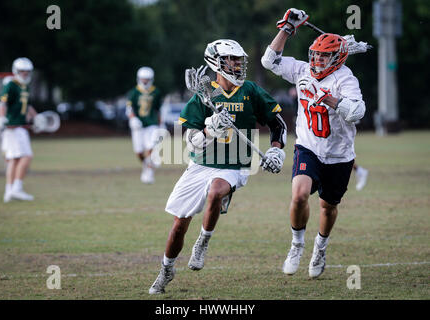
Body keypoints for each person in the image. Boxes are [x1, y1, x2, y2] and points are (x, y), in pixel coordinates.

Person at [149, 39, 288, 294]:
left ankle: (203, 241)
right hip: (201, 164)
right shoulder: (204, 96)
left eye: (238, 59)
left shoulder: (251, 91)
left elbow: (277, 123)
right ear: (216, 62)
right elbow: (191, 142)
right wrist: (210, 128)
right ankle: (166, 269)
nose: (237, 64)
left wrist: (276, 149)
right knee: (180, 223)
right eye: (231, 59)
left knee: (216, 191)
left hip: (234, 164)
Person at [261, 8, 366, 278]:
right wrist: (287, 29)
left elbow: (357, 112)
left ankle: (320, 247)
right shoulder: (302, 70)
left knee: (328, 207)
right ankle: (297, 245)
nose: (317, 59)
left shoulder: (345, 78)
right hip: (308, 146)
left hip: (339, 155)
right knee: (298, 195)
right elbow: (269, 61)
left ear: (337, 58)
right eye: (315, 54)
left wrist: (330, 99)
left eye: (324, 55)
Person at [0, 57, 39, 203]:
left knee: (14, 160)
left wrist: (37, 118)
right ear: (16, 71)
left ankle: (9, 191)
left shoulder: (25, 86)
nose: (25, 74)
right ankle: (17, 188)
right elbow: (2, 103)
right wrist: (1, 118)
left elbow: (28, 106)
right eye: (22, 71)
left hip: (20, 126)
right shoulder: (11, 85)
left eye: (27, 71)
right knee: (26, 156)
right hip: (14, 127)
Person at [126, 66, 163, 184]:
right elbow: (129, 109)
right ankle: (147, 167)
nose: (145, 81)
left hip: (151, 124)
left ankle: (149, 171)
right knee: (139, 152)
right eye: (143, 79)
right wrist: (132, 119)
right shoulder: (133, 92)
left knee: (150, 147)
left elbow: (158, 110)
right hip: (138, 126)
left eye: (147, 79)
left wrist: (161, 124)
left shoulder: (156, 92)